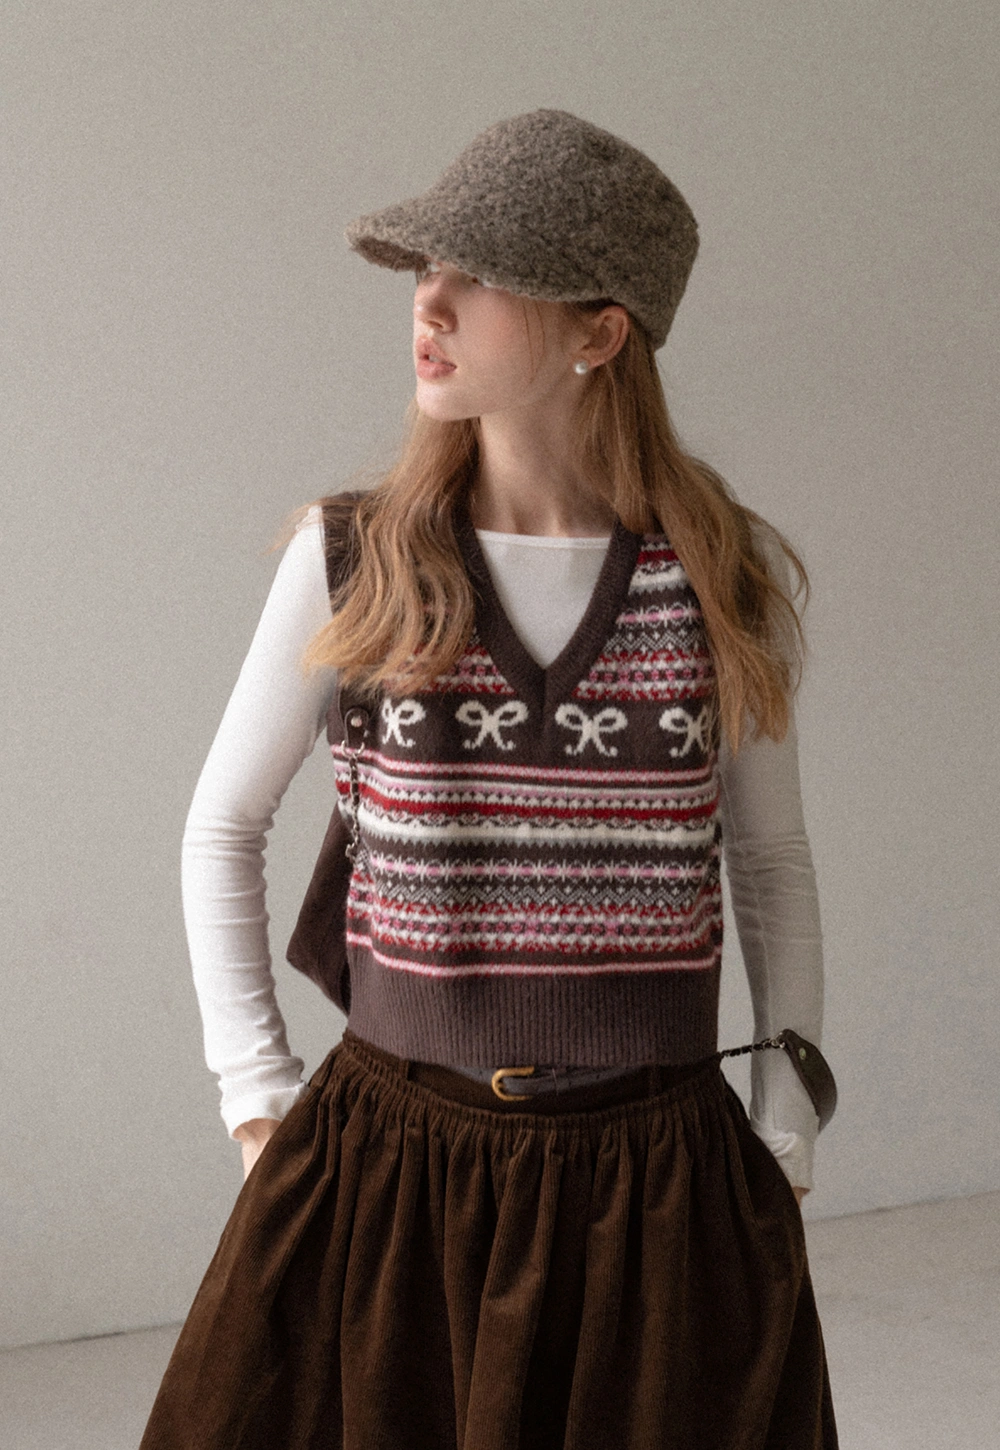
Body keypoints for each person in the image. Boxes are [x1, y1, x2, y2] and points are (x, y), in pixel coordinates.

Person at [140, 109, 838, 1449]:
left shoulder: (715, 578)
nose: (432, 301)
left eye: (483, 274)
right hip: (394, 1163)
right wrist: (255, 1094)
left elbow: (770, 859)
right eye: (426, 268)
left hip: (653, 1179)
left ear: (600, 333)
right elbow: (223, 822)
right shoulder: (359, 562)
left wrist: (787, 1120)